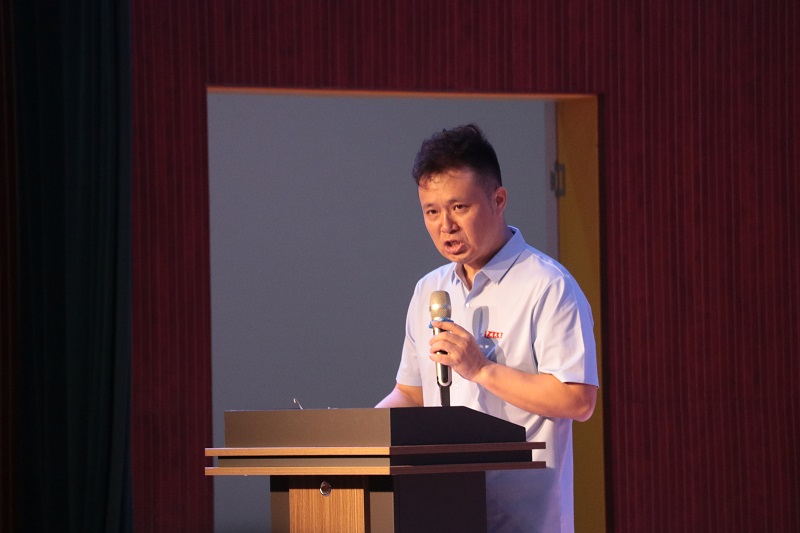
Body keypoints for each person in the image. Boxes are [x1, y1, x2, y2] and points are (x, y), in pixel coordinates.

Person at [376, 124, 599, 533]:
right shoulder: (429, 289)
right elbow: (412, 394)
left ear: (498, 200)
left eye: (459, 207)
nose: (445, 225)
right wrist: (358, 435)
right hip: (443, 513)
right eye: (431, 211)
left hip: (523, 521)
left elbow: (577, 399)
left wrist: (481, 369)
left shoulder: (547, 285)